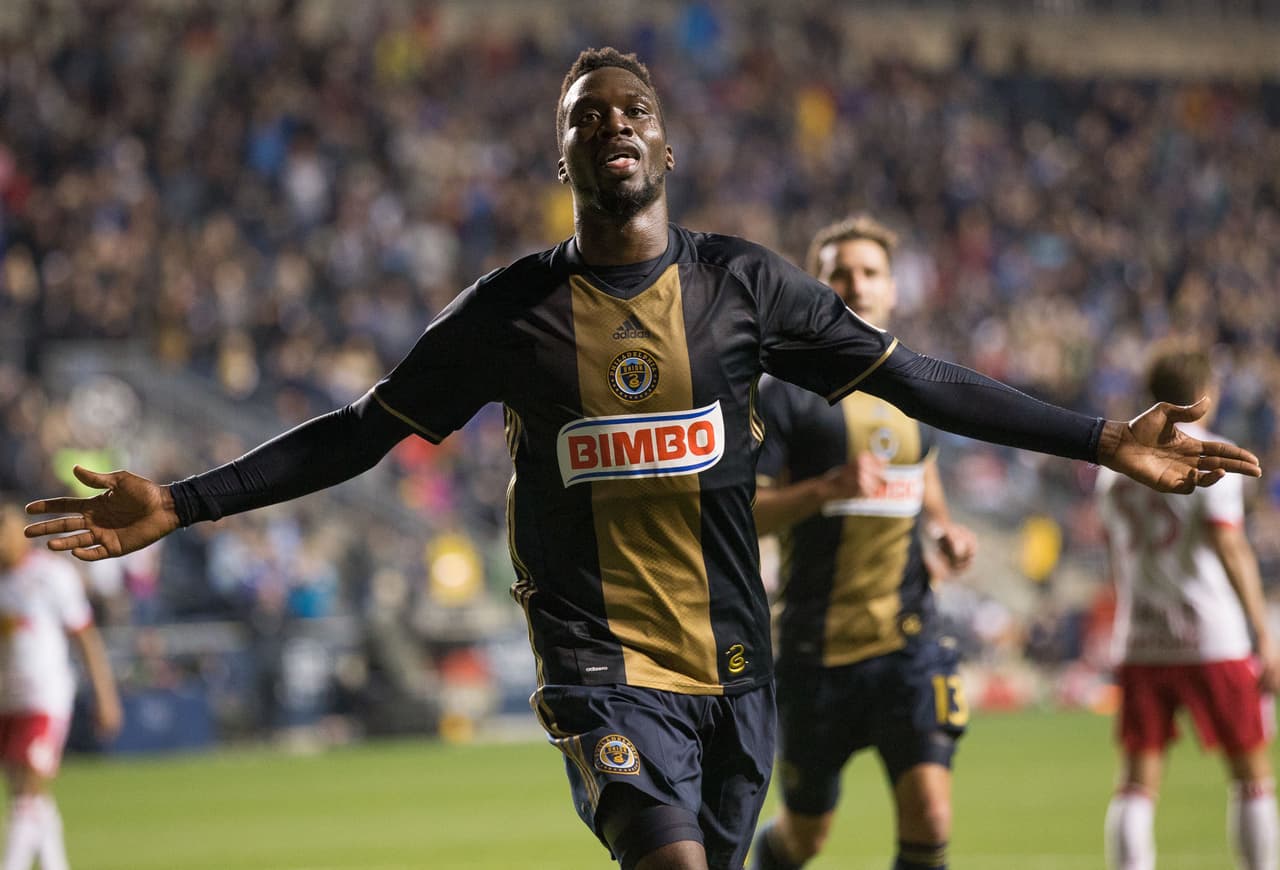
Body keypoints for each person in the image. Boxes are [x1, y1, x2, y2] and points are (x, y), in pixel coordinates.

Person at [23, 48, 1261, 870]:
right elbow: (364, 431)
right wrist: (183, 501)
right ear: (560, 158)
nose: (611, 124)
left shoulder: (742, 288)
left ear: (663, 150)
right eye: (585, 116)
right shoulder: (508, 314)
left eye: (633, 112)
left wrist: (1100, 439)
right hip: (598, 669)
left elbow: (917, 378)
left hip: (736, 665)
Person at [749, 215, 977, 870]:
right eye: (839, 273)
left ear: (893, 289)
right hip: (815, 652)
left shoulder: (914, 386)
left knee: (931, 815)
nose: (857, 284)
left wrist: (944, 528)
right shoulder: (784, 393)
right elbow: (743, 513)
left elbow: (922, 472)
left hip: (908, 643)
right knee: (803, 835)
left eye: (870, 273)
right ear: (814, 290)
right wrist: (826, 489)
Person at [1096, 343, 1279, 870]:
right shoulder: (1210, 450)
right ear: (1205, 396)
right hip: (1212, 636)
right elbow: (1230, 545)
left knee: (1135, 783)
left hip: (1141, 638)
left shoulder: (1115, 465)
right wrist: (1263, 631)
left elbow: (1115, 559)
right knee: (1251, 773)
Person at [0, 502, 122, 870]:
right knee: (26, 794)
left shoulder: (51, 576)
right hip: (7, 700)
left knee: (28, 792)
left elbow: (84, 637)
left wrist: (105, 695)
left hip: (45, 697)